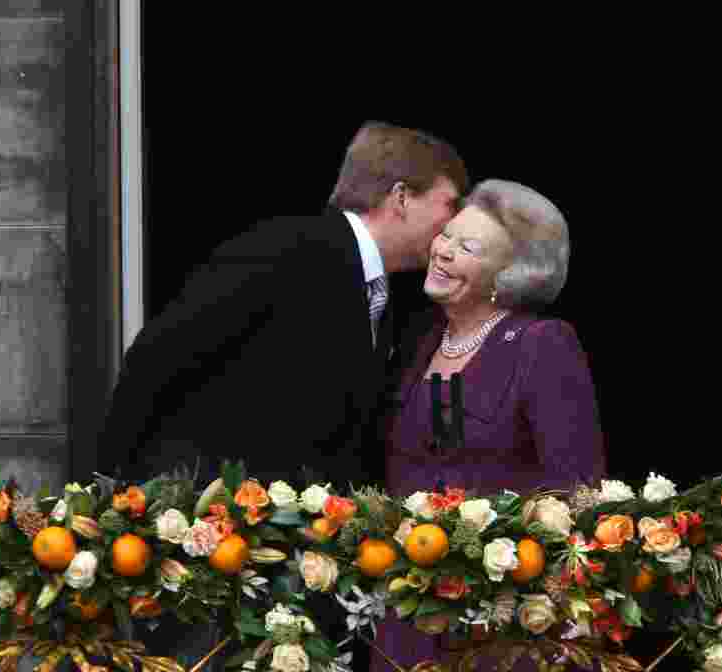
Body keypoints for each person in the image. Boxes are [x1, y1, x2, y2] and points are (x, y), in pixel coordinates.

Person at [94, 120, 468, 668]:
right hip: (213, 556)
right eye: (448, 205)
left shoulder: (383, 295)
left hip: (288, 565)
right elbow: (157, 358)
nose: (451, 225)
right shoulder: (286, 247)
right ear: (401, 198)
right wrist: (120, 499)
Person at [371, 179, 607, 672]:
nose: (444, 252)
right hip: (409, 611)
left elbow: (578, 486)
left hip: (504, 619)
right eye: (448, 235)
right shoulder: (417, 342)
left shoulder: (540, 343)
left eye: (468, 248)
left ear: (508, 275)